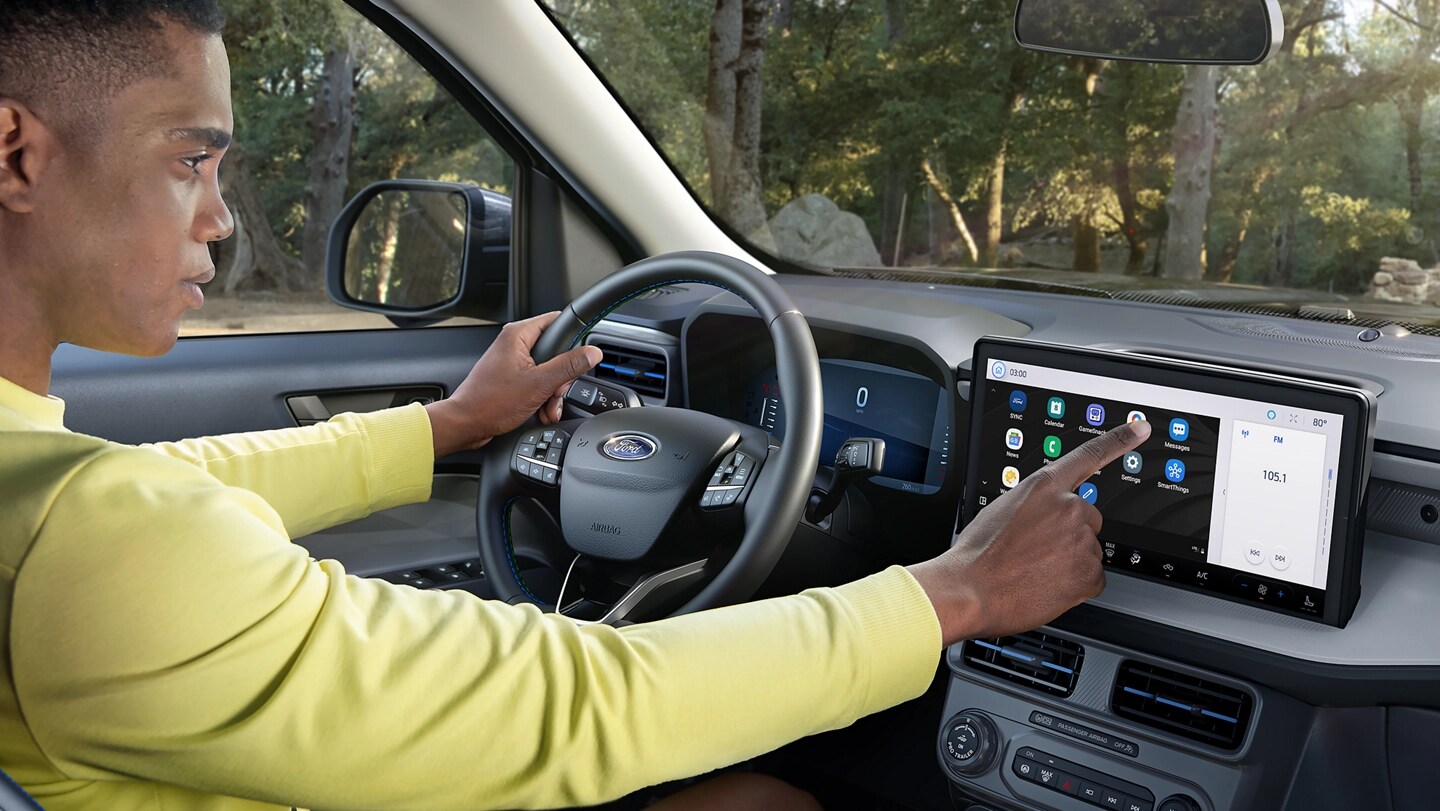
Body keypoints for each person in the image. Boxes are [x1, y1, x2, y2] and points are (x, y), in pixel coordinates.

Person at [0, 2, 1150, 810]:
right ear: (15, 153)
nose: (219, 218)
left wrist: (447, 429)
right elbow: (586, 702)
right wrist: (956, 591)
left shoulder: (58, 495)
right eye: (189, 160)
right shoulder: (100, 548)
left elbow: (177, 489)